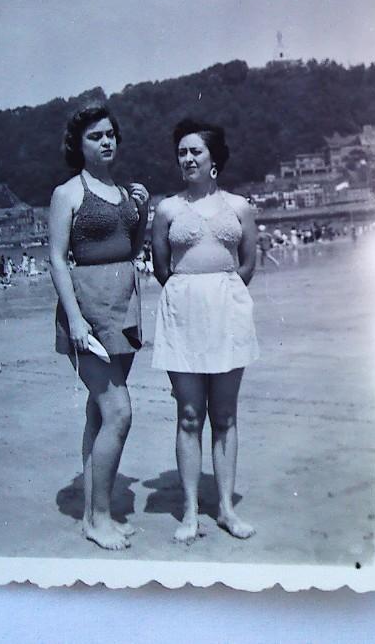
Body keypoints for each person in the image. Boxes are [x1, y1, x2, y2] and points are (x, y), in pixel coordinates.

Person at [151, 120, 259, 544]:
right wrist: (190, 294)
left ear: (214, 159)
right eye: (181, 152)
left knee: (226, 415)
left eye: (195, 151)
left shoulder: (240, 206)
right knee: (190, 414)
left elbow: (248, 262)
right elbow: (162, 267)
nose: (187, 158)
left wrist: (223, 292)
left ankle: (227, 509)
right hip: (183, 312)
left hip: (229, 310)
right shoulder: (167, 210)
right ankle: (191, 511)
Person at [48, 104, 149, 550]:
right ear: (79, 145)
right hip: (88, 309)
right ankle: (99, 518)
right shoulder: (67, 193)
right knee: (119, 412)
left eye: (111, 134)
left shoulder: (124, 191)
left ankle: (94, 513)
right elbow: (55, 257)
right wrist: (73, 318)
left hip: (123, 306)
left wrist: (142, 213)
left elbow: (132, 244)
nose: (106, 142)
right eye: (95, 136)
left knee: (98, 411)